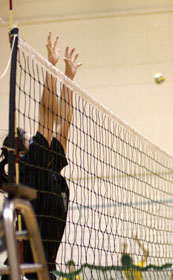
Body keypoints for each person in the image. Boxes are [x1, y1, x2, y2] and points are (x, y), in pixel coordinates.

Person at [0, 32, 82, 279]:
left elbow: (63, 126)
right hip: (31, 266)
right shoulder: (31, 167)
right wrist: (50, 67)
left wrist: (68, 80)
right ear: (20, 151)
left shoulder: (49, 169)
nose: (33, 138)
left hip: (42, 265)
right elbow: (48, 116)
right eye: (28, 138)